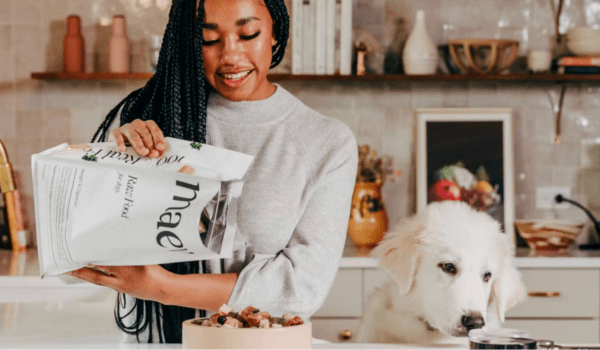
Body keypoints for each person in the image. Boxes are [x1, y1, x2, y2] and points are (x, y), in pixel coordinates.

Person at [69, 0, 358, 344]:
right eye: (209, 40)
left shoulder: (325, 142)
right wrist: (115, 166)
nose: (231, 55)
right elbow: (79, 255)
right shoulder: (149, 118)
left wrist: (161, 287)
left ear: (276, 36)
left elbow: (300, 289)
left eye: (248, 33)